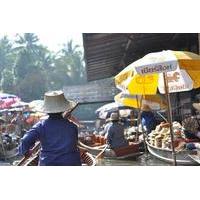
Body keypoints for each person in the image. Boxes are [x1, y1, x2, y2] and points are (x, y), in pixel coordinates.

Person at [18, 90, 81, 166]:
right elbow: (73, 144)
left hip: (48, 163)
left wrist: (26, 152)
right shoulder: (72, 127)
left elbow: (25, 140)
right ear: (63, 109)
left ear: (47, 111)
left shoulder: (40, 126)